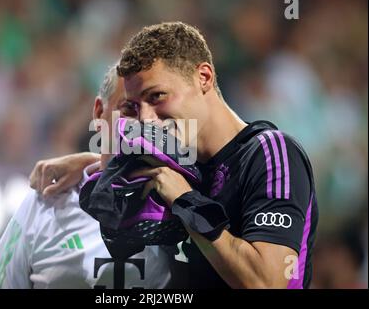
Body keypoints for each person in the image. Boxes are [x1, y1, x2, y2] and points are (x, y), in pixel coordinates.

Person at [31, 22, 318, 289]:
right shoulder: (178, 160)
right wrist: (89, 162)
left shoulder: (270, 153)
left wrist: (187, 203)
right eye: (134, 105)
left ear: (203, 77)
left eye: (156, 97)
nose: (146, 119)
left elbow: (267, 281)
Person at [0, 65, 181, 289]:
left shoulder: (186, 207)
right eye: (128, 109)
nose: (144, 124)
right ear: (98, 113)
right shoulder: (44, 204)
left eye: (158, 112)